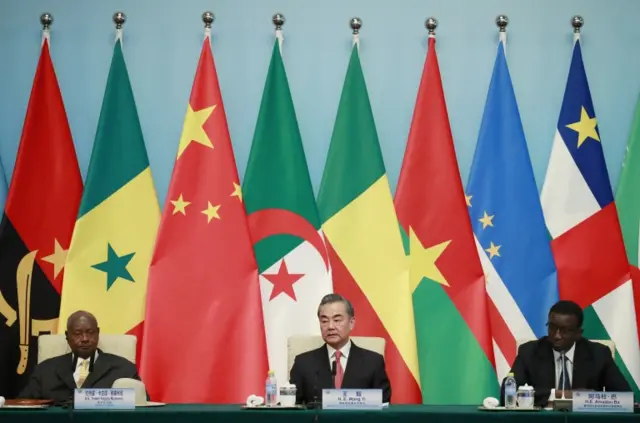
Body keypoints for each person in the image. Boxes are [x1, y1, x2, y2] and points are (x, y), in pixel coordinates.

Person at [501, 300, 631, 407]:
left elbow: (626, 398)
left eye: (564, 330)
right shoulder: (530, 351)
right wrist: (566, 395)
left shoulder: (598, 354)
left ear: (578, 333)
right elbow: (506, 394)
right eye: (552, 327)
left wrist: (591, 399)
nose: (556, 335)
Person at [19, 310, 144, 403]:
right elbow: (23, 406)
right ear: (67, 336)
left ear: (98, 333)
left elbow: (142, 405)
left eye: (90, 333)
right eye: (78, 334)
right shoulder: (45, 370)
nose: (85, 339)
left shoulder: (123, 368)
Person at [289, 294, 391, 404]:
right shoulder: (303, 363)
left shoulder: (373, 362)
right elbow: (292, 407)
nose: (330, 326)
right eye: (324, 321)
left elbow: (383, 405)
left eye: (337, 320)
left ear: (351, 323)